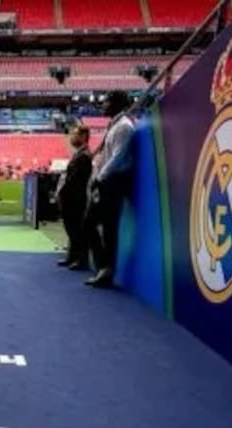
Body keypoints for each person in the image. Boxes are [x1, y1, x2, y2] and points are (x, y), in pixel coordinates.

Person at [84, 91, 135, 287]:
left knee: (107, 227)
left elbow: (119, 156)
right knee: (94, 224)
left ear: (116, 104)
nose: (103, 105)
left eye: (106, 102)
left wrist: (101, 177)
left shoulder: (123, 127)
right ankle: (103, 267)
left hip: (114, 182)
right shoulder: (115, 125)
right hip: (108, 180)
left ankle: (106, 269)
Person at [56, 126, 92, 270]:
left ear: (84, 136)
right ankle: (72, 256)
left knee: (76, 228)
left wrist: (64, 192)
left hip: (75, 198)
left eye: (75, 134)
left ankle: (79, 259)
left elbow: (76, 180)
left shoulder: (84, 156)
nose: (72, 137)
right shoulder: (79, 154)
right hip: (71, 197)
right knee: (71, 228)